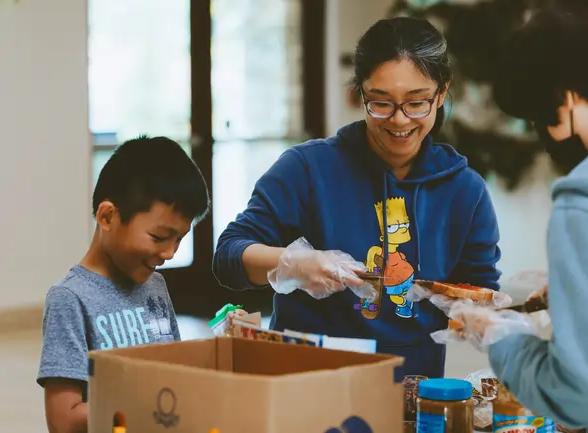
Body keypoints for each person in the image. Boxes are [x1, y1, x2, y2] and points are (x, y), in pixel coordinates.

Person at [213, 16, 503, 378]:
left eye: (417, 103)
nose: (399, 120)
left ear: (441, 94)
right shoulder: (307, 168)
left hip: (411, 388)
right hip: (308, 381)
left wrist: (483, 314)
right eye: (380, 103)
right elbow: (228, 255)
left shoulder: (465, 190)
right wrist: (293, 264)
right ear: (359, 94)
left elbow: (480, 288)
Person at [443, 7, 588, 433]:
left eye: (541, 121)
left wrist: (502, 338)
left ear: (566, 97)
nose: (547, 138)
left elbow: (580, 395)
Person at [37, 136, 211, 433]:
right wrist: (145, 402)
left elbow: (175, 374)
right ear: (107, 216)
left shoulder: (156, 286)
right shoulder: (70, 299)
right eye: (158, 237)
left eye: (179, 239)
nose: (170, 253)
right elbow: (63, 421)